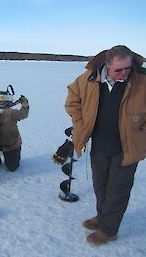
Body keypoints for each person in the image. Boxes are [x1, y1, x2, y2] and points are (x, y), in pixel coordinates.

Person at [65, 45, 146, 245]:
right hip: (100, 145)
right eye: (118, 70)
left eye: (127, 68)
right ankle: (103, 217)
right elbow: (72, 99)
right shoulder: (90, 80)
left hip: (128, 148)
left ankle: (109, 230)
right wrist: (80, 123)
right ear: (107, 66)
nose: (124, 73)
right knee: (100, 186)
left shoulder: (142, 81)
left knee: (118, 190)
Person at [0, 96, 29, 171]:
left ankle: (15, 154)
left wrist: (25, 106)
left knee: (12, 167)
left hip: (11, 144)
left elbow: (23, 114)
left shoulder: (9, 112)